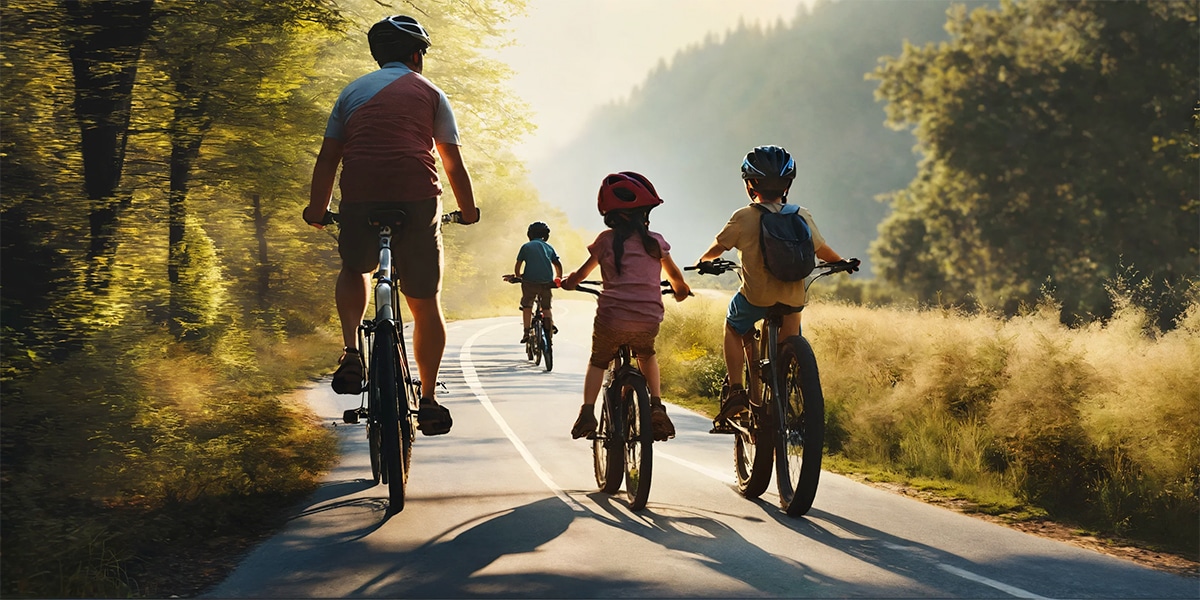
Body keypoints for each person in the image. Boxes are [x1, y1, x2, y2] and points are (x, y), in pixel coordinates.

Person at [303, 15, 480, 437]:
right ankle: (430, 397)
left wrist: (316, 209)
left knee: (355, 268)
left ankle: (350, 351)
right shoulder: (432, 93)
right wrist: (469, 210)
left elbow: (328, 158)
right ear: (417, 55)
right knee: (424, 299)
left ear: (378, 55)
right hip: (417, 197)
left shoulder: (351, 92)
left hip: (361, 196)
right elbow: (451, 160)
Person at [696, 145, 855, 432]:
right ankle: (787, 375)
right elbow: (823, 250)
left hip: (756, 297)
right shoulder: (802, 215)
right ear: (787, 185)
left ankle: (736, 390)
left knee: (733, 326)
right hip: (793, 299)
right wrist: (843, 262)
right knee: (789, 341)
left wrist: (705, 261)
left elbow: (718, 247)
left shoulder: (744, 217)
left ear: (750, 184)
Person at [561, 172, 691, 442]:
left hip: (611, 321)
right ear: (645, 213)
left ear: (609, 215)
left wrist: (567, 283)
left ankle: (587, 412)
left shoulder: (605, 241)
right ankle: (656, 406)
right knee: (647, 354)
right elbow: (676, 278)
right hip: (647, 320)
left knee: (598, 360)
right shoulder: (655, 242)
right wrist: (680, 292)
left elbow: (580, 276)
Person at [511, 222, 564, 344]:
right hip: (546, 282)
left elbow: (518, 265)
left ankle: (526, 332)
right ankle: (549, 327)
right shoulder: (549, 247)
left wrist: (518, 276)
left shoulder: (526, 246)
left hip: (529, 282)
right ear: (546, 235)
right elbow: (557, 264)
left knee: (527, 305)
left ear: (529, 234)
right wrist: (558, 277)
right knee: (546, 307)